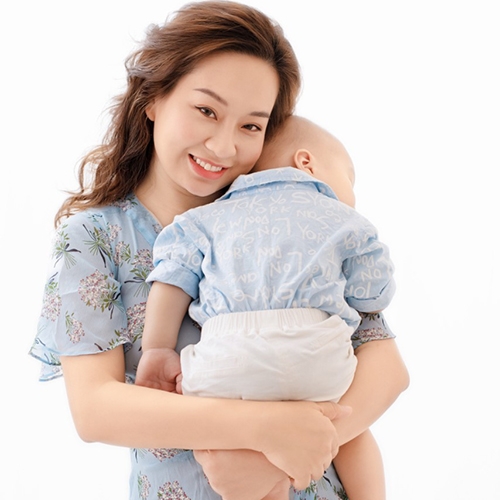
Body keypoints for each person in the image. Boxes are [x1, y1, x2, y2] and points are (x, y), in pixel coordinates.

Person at [29, 2, 409, 500]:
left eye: (251, 126)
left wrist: (289, 457)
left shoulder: (287, 220)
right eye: (207, 111)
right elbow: (96, 409)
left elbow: (386, 367)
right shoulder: (96, 238)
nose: (224, 147)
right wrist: (265, 431)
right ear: (153, 98)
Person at [136, 115, 394, 500]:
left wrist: (157, 348)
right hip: (312, 352)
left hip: (223, 357)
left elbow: (171, 276)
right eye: (349, 179)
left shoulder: (202, 218)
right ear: (306, 163)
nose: (351, 194)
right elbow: (374, 291)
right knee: (346, 427)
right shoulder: (342, 217)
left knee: (239, 441)